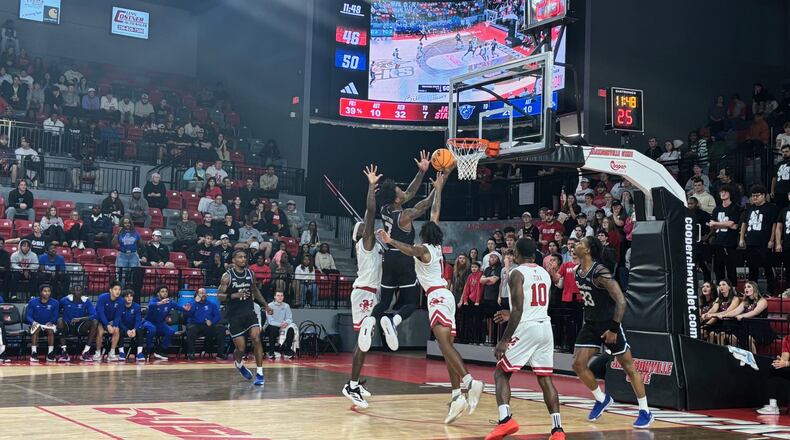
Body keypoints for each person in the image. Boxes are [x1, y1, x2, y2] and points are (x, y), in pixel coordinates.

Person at [378, 169, 485, 424]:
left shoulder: (424, 249)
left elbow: (410, 248)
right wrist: (439, 187)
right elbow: (435, 213)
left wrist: (391, 241)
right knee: (447, 348)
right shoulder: (436, 245)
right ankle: (457, 394)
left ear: (424, 236)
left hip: (437, 297)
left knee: (444, 346)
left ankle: (470, 381)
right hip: (445, 295)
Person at [571, 236, 653, 428]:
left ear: (589, 250)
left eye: (581, 243)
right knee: (578, 364)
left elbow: (621, 300)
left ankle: (645, 411)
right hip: (591, 323)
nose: (576, 245)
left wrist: (614, 328)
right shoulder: (577, 271)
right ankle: (602, 399)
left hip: (609, 324)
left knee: (629, 367)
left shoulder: (600, 271)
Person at [487, 238, 564, 440]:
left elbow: (520, 310)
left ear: (518, 254)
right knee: (545, 378)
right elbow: (530, 304)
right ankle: (557, 430)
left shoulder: (516, 273)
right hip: (545, 327)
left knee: (501, 373)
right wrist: (509, 312)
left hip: (527, 328)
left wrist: (504, 339)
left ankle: (505, 421)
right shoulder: (545, 274)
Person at [342, 165, 383, 408]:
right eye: (364, 227)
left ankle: (357, 382)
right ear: (362, 233)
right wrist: (371, 187)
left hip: (371, 291)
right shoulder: (366, 242)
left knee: (367, 339)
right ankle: (352, 385)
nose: (366, 226)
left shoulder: (374, 246)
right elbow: (370, 211)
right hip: (365, 291)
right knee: (364, 339)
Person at [218, 249, 274, 386]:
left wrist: (266, 305)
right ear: (233, 260)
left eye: (245, 257)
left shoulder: (250, 273)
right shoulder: (227, 276)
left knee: (256, 338)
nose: (243, 259)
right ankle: (239, 363)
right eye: (240, 257)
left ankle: (260, 373)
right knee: (241, 349)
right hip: (234, 316)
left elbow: (255, 290)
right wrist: (234, 295)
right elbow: (219, 296)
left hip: (249, 313)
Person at [739, 185, 777, 295]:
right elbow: (744, 223)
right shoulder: (750, 208)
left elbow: (774, 224)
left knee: (767, 267)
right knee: (752, 268)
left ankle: (771, 290)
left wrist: (772, 240)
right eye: (753, 196)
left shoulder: (770, 208)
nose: (755, 198)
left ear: (764, 195)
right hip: (751, 242)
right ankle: (753, 292)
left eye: (757, 195)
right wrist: (742, 238)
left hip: (764, 242)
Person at [144, 286, 190, 361]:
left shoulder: (170, 302)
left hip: (160, 323)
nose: (165, 293)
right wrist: (159, 303)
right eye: (162, 291)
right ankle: (148, 350)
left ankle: (160, 351)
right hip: (149, 322)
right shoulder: (154, 300)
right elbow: (150, 305)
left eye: (166, 291)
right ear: (158, 293)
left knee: (170, 331)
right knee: (152, 329)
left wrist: (185, 308)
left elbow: (179, 307)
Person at [709, 185, 741, 286]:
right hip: (718, 242)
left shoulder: (735, 207)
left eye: (725, 192)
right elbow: (711, 224)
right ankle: (720, 289)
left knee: (730, 268)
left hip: (729, 243)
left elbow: (731, 224)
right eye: (721, 192)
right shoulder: (717, 209)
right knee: (718, 269)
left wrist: (716, 224)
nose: (722, 194)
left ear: (730, 194)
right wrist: (723, 224)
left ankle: (734, 289)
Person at [57, 285, 97, 362]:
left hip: (80, 327)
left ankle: (86, 351)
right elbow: (56, 312)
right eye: (76, 290)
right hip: (67, 326)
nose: (78, 292)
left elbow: (94, 315)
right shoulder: (64, 300)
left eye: (80, 290)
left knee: (95, 322)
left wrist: (79, 319)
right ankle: (64, 352)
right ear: (72, 291)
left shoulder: (86, 301)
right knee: (59, 320)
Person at [186, 287, 225, 360]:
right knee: (191, 330)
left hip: (208, 326)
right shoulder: (191, 303)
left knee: (221, 329)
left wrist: (212, 322)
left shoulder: (211, 304)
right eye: (201, 293)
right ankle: (191, 353)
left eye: (204, 293)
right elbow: (188, 314)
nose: (203, 294)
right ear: (197, 295)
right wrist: (195, 302)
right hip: (196, 325)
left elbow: (218, 316)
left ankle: (220, 354)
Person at [26, 284, 59, 362]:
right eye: (45, 291)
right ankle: (34, 353)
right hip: (36, 323)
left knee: (50, 331)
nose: (47, 293)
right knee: (36, 329)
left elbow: (55, 316)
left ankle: (50, 354)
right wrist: (33, 322)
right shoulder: (32, 302)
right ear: (40, 292)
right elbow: (28, 316)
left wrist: (51, 322)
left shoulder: (55, 302)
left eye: (49, 291)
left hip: (48, 324)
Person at [117, 289, 147, 362]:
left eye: (131, 296)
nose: (129, 298)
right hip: (124, 328)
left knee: (140, 330)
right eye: (127, 296)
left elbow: (138, 320)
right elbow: (119, 321)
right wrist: (126, 330)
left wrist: (134, 329)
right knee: (118, 331)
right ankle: (121, 352)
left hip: (133, 328)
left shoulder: (136, 306)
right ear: (123, 298)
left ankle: (139, 353)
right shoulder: (119, 306)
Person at [95, 281, 122, 362]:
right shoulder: (102, 297)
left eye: (119, 290)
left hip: (111, 321)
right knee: (100, 332)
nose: (118, 291)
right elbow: (100, 313)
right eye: (115, 289)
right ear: (110, 290)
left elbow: (118, 315)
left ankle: (112, 353)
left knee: (116, 330)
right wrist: (107, 325)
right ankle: (97, 352)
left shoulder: (121, 300)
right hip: (100, 320)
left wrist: (114, 325)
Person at [264, 290, 295, 359]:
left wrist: (286, 323)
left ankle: (287, 351)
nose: (280, 297)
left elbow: (289, 318)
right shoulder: (269, 305)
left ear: (283, 297)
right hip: (271, 326)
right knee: (273, 329)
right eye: (278, 296)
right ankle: (271, 351)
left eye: (281, 296)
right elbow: (270, 321)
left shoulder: (286, 306)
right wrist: (280, 324)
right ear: (275, 297)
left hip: (283, 326)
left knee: (291, 329)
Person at [113, 217, 142, 288]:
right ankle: (120, 290)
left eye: (128, 222)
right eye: (125, 223)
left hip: (133, 255)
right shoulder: (119, 232)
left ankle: (133, 291)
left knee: (135, 274)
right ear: (122, 224)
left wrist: (147, 243)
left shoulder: (135, 232)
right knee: (121, 274)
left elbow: (141, 244)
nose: (127, 224)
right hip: (122, 255)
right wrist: (117, 233)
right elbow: (113, 244)